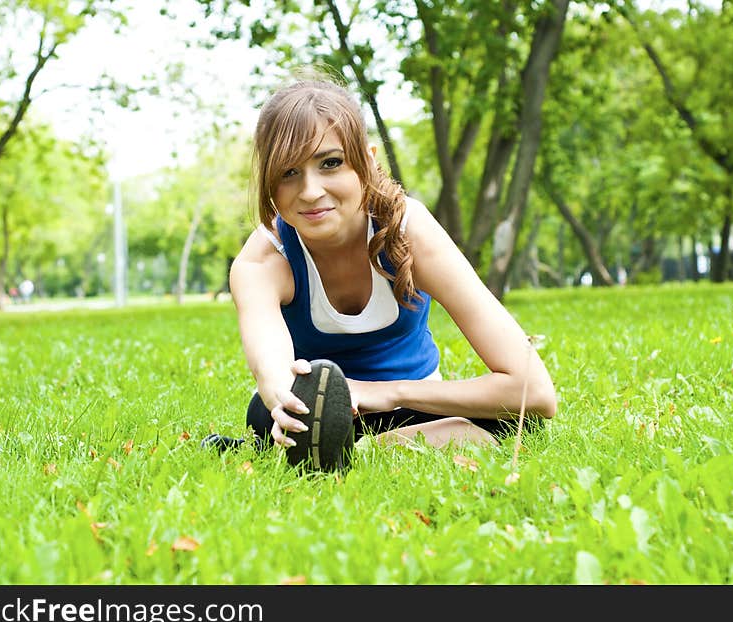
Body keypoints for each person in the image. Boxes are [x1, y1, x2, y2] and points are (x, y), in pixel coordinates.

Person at [204, 76, 556, 470]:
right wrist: (280, 396)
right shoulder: (264, 259)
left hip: (415, 407)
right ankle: (352, 448)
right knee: (267, 416)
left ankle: (355, 451)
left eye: (330, 163)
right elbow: (271, 370)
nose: (310, 191)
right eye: (289, 173)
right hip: (316, 415)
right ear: (269, 181)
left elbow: (535, 392)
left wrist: (386, 394)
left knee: (517, 422)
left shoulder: (410, 230)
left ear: (367, 161)